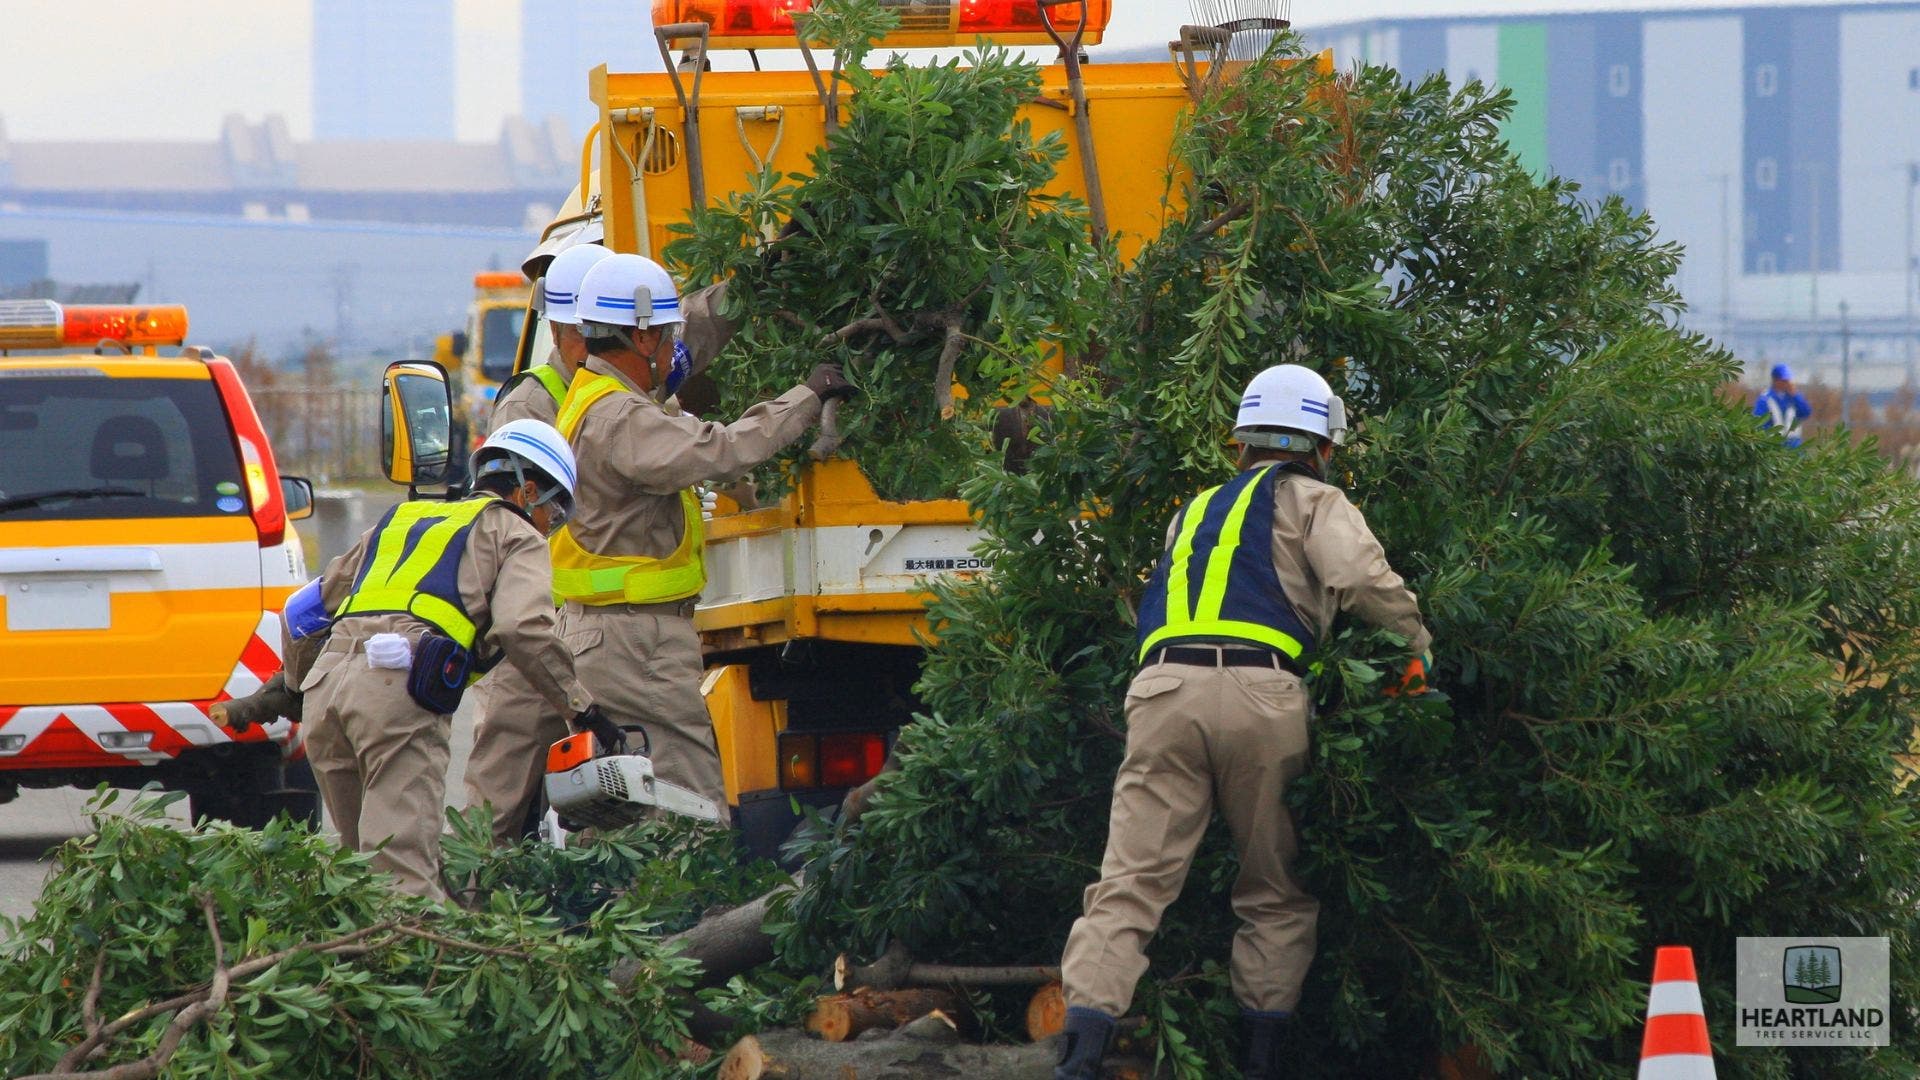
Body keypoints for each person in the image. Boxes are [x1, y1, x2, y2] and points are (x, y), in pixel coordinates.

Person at [1053, 365, 1433, 1080]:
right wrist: (1416, 646)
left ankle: (1079, 1056)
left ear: (1242, 443)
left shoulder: (1191, 510)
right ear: (1321, 443)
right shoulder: (1318, 501)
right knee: (1273, 888)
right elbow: (1358, 580)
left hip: (1162, 689)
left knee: (1129, 885)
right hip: (1264, 694)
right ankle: (1261, 1062)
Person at [551, 252, 854, 813]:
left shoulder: (596, 397)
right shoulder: (621, 418)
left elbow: (696, 335)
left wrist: (756, 279)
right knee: (690, 809)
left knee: (632, 816)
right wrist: (808, 398)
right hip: (634, 643)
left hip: (609, 637)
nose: (674, 350)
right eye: (665, 337)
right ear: (642, 339)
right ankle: (705, 904)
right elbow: (717, 451)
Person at [298, 420, 622, 900]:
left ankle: (353, 966)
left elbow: (301, 613)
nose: (549, 528)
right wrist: (581, 709)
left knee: (356, 874)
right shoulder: (516, 532)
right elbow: (522, 629)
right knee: (401, 880)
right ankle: (416, 969)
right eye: (553, 514)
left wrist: (291, 687)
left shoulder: (402, 518)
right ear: (528, 490)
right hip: (395, 693)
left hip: (324, 695)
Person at [461, 240, 613, 848]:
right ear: (568, 327)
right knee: (496, 805)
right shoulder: (531, 401)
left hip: (593, 621)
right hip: (536, 618)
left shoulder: (619, 393)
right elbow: (516, 523)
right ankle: (473, 916)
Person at [1753, 363, 1812, 448]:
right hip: (1774, 444)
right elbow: (1759, 421)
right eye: (1784, 380)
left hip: (1794, 444)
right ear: (1775, 380)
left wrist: (1795, 395)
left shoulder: (1793, 397)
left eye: (1788, 380)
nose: (1787, 383)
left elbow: (1805, 413)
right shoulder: (1765, 398)